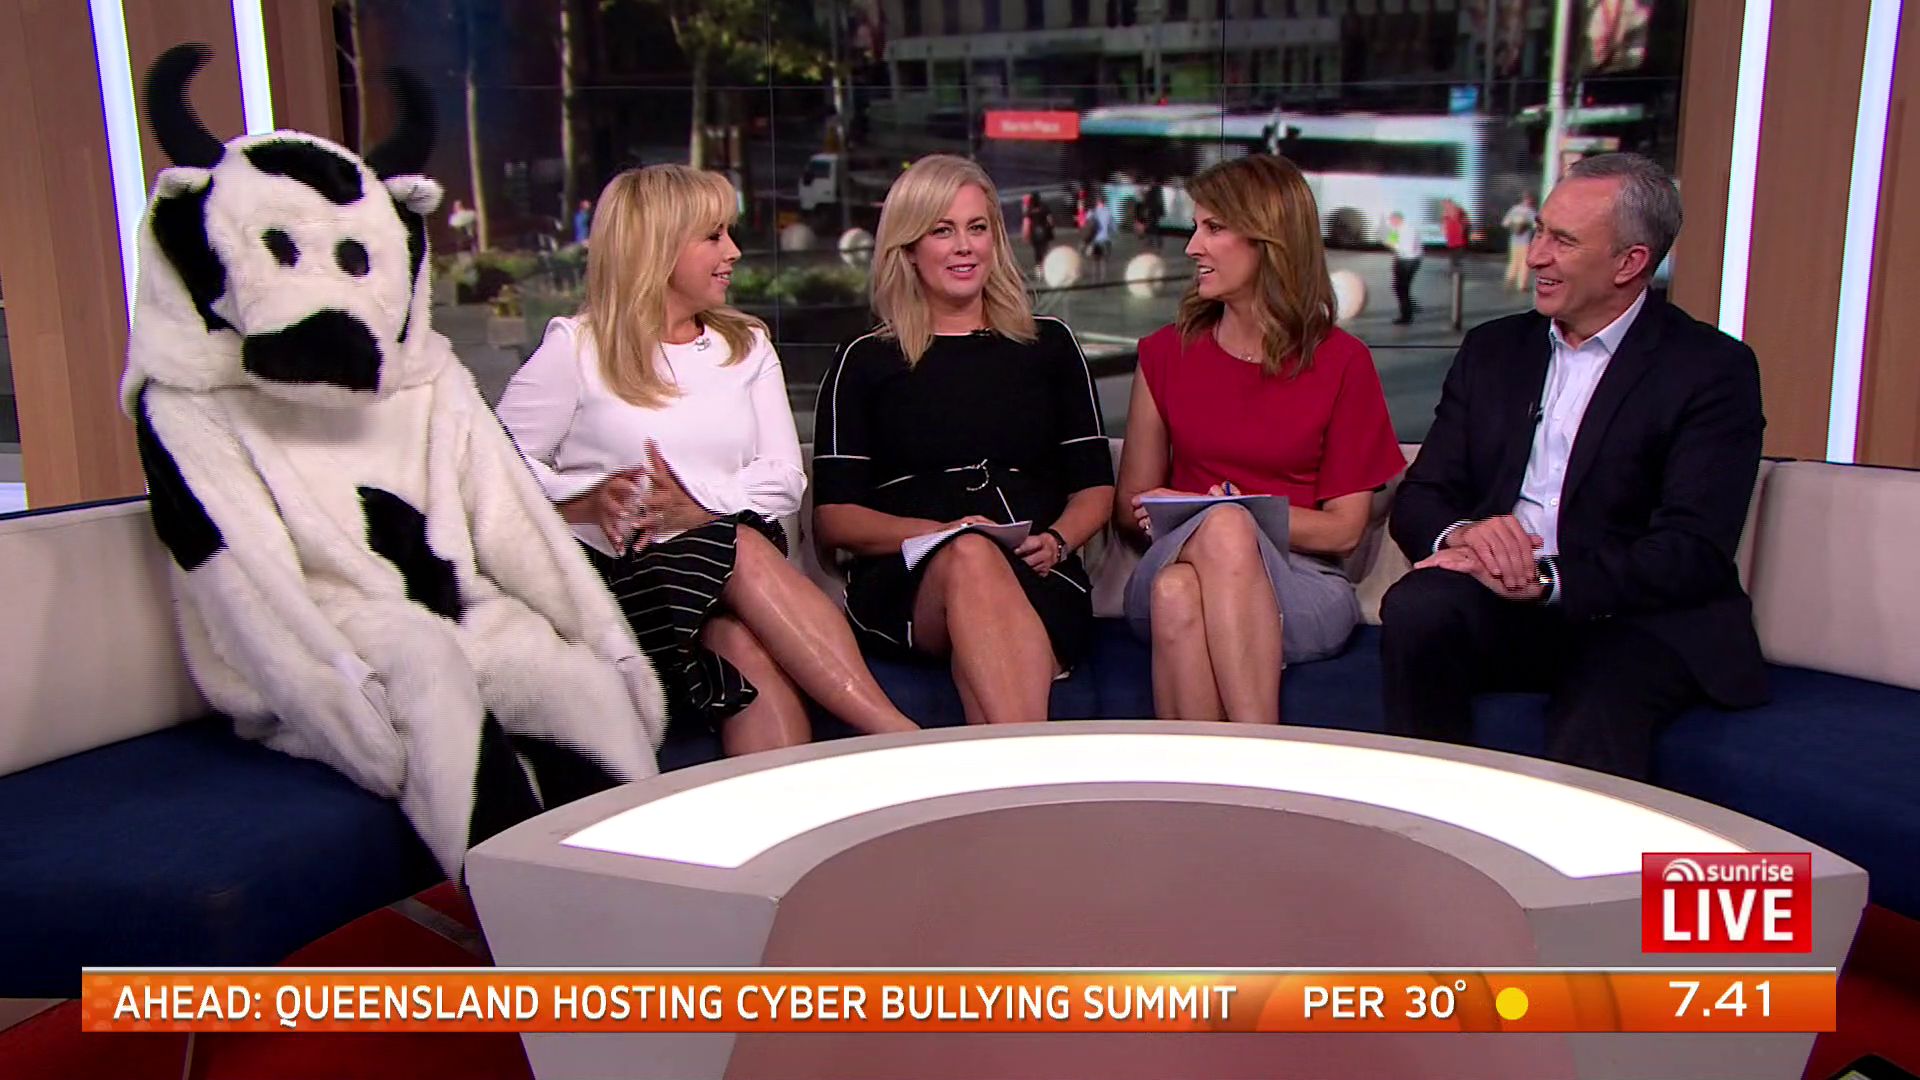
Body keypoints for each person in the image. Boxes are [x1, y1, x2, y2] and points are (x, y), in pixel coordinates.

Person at [497, 164, 919, 756]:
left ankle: (798, 809)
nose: (733, 252)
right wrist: (586, 499)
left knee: (739, 642)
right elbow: (493, 465)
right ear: (658, 245)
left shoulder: (745, 347)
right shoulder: (578, 347)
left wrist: (696, 508)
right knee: (737, 543)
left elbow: (783, 480)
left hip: (726, 586)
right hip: (625, 585)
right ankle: (896, 736)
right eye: (714, 236)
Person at [1379, 152, 1767, 782]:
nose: (1535, 257)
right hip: (1505, 603)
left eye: (1562, 241)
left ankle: (1576, 848)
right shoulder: (1494, 350)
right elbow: (1424, 493)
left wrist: (1547, 578)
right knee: (1419, 609)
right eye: (1539, 232)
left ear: (1629, 262)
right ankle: (1428, 812)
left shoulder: (1709, 369)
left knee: (1603, 688)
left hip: (1637, 615)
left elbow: (1691, 551)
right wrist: (1467, 536)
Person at [812, 155, 1115, 726]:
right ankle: (1032, 770)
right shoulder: (865, 360)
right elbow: (835, 519)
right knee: (971, 553)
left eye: (977, 228)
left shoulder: (1050, 345)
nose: (964, 247)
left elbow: (1095, 487)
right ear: (908, 248)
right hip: (909, 581)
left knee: (983, 573)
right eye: (942, 231)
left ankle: (1005, 773)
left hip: (1038, 569)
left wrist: (1057, 541)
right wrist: (941, 533)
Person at [1113, 155, 1405, 724]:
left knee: (1185, 584)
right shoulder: (1166, 354)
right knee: (1206, 547)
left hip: (1301, 581)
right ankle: (1263, 752)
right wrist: (1202, 518)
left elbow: (1344, 530)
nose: (1192, 246)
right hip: (1175, 555)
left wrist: (1230, 510)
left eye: (1214, 228)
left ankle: (1212, 775)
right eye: (1196, 227)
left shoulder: (1342, 362)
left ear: (1269, 240)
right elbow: (1132, 508)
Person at [1387, 211, 1422, 324]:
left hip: (1409, 261)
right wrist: (1392, 241)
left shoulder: (1409, 229)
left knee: (1401, 288)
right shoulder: (1396, 229)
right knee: (1401, 287)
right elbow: (1392, 242)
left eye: (1392, 220)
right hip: (1401, 260)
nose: (1390, 223)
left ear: (1398, 219)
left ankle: (1406, 316)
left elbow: (1408, 249)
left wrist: (1394, 245)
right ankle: (1410, 306)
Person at [1502, 192, 1538, 291]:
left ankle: (1509, 280)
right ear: (1530, 200)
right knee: (1524, 264)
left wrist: (1514, 225)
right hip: (1525, 241)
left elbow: (1505, 223)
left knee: (1513, 261)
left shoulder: (1514, 209)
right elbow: (1536, 225)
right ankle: (1522, 285)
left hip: (1513, 240)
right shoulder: (1530, 211)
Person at [1021, 191, 1055, 272]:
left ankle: (1039, 265)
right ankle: (1045, 264)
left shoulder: (1030, 208)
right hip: (1044, 230)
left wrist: (1026, 234)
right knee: (1044, 248)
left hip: (1034, 232)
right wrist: (1051, 227)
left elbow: (1026, 220)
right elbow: (1049, 218)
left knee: (1037, 250)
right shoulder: (1044, 206)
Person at [1085, 194, 1115, 280]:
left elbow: (1086, 224)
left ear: (1097, 202)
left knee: (1094, 261)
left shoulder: (1091, 212)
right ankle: (1103, 279)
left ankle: (1094, 279)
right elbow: (1113, 227)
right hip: (1105, 240)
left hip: (1094, 241)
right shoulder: (1108, 212)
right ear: (1104, 202)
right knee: (1103, 262)